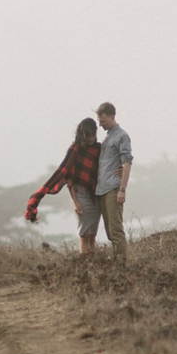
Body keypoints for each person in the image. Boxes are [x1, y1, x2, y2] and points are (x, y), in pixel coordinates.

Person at [25, 117, 103, 255]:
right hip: (80, 196)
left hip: (95, 197)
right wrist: (75, 200)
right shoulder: (75, 149)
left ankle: (94, 265)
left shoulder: (98, 149)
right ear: (83, 135)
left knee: (92, 235)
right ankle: (85, 264)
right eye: (89, 135)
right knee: (84, 234)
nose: (92, 138)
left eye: (94, 134)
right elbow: (68, 176)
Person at [94, 101, 132, 263]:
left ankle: (122, 266)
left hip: (113, 189)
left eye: (103, 121)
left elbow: (127, 162)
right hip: (102, 189)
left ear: (112, 116)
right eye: (99, 121)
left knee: (116, 230)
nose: (100, 125)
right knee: (109, 231)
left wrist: (122, 189)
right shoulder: (108, 136)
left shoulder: (122, 136)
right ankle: (116, 263)